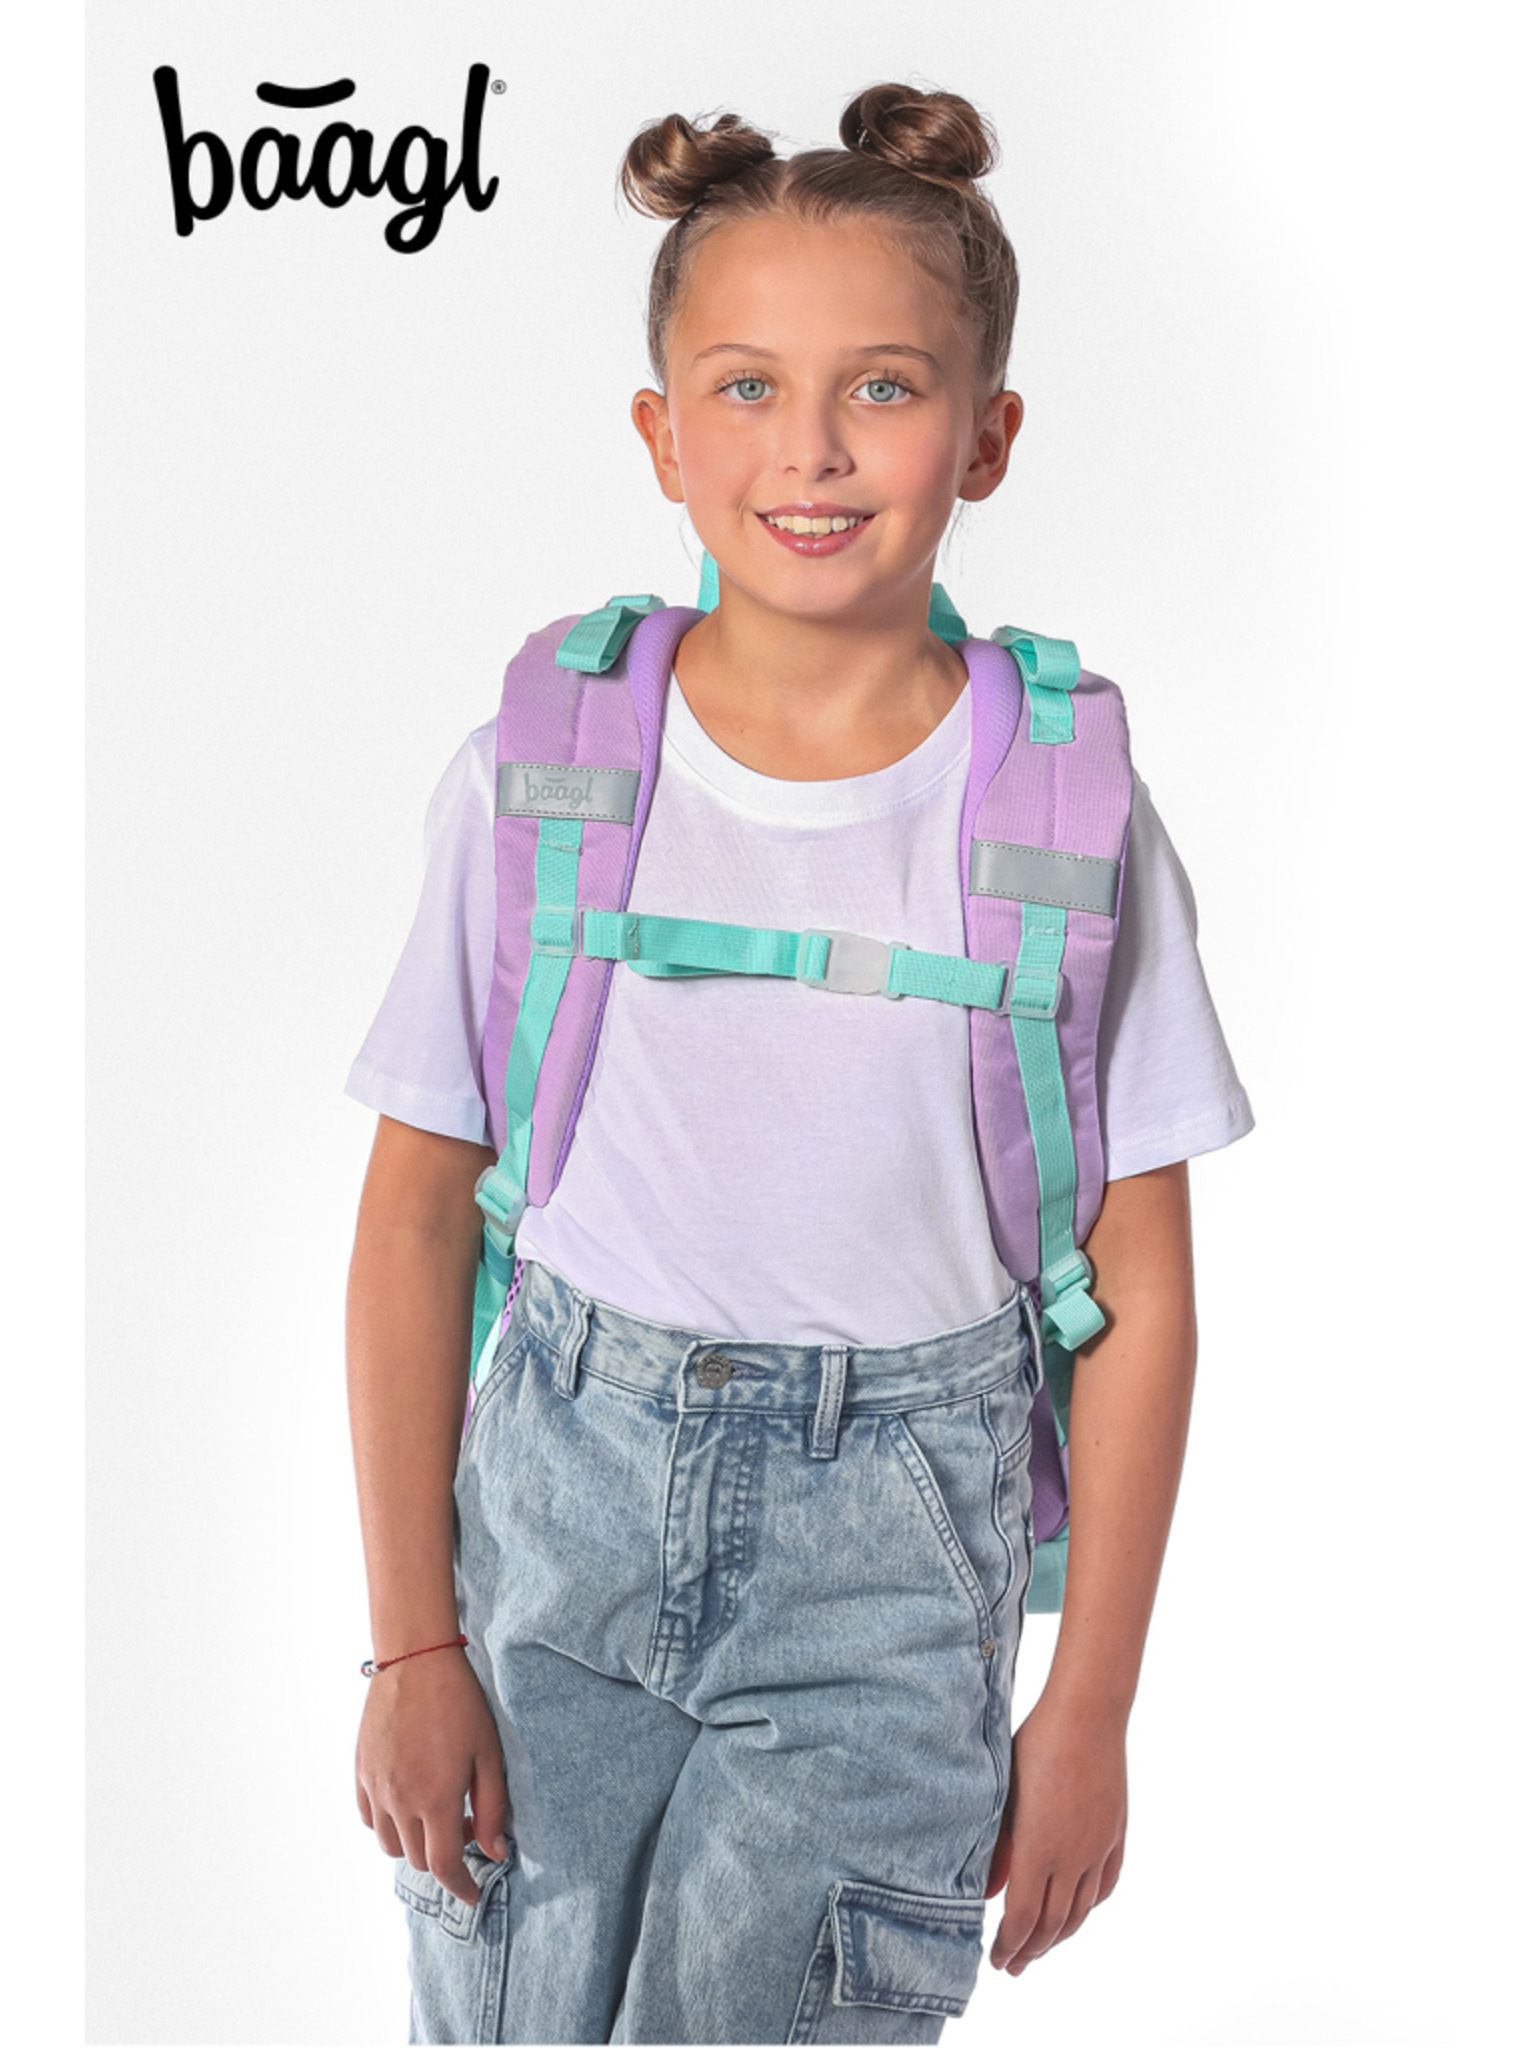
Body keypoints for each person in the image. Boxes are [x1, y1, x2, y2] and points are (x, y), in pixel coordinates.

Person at [344, 81, 1254, 2046]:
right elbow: (417, 1215)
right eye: (747, 387)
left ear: (987, 434)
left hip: (893, 1576)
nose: (812, 449)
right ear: (662, 434)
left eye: (885, 389)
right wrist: (411, 1642)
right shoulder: (539, 773)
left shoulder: (1070, 810)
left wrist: (1088, 1706)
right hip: (556, 1524)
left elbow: (1146, 1288)